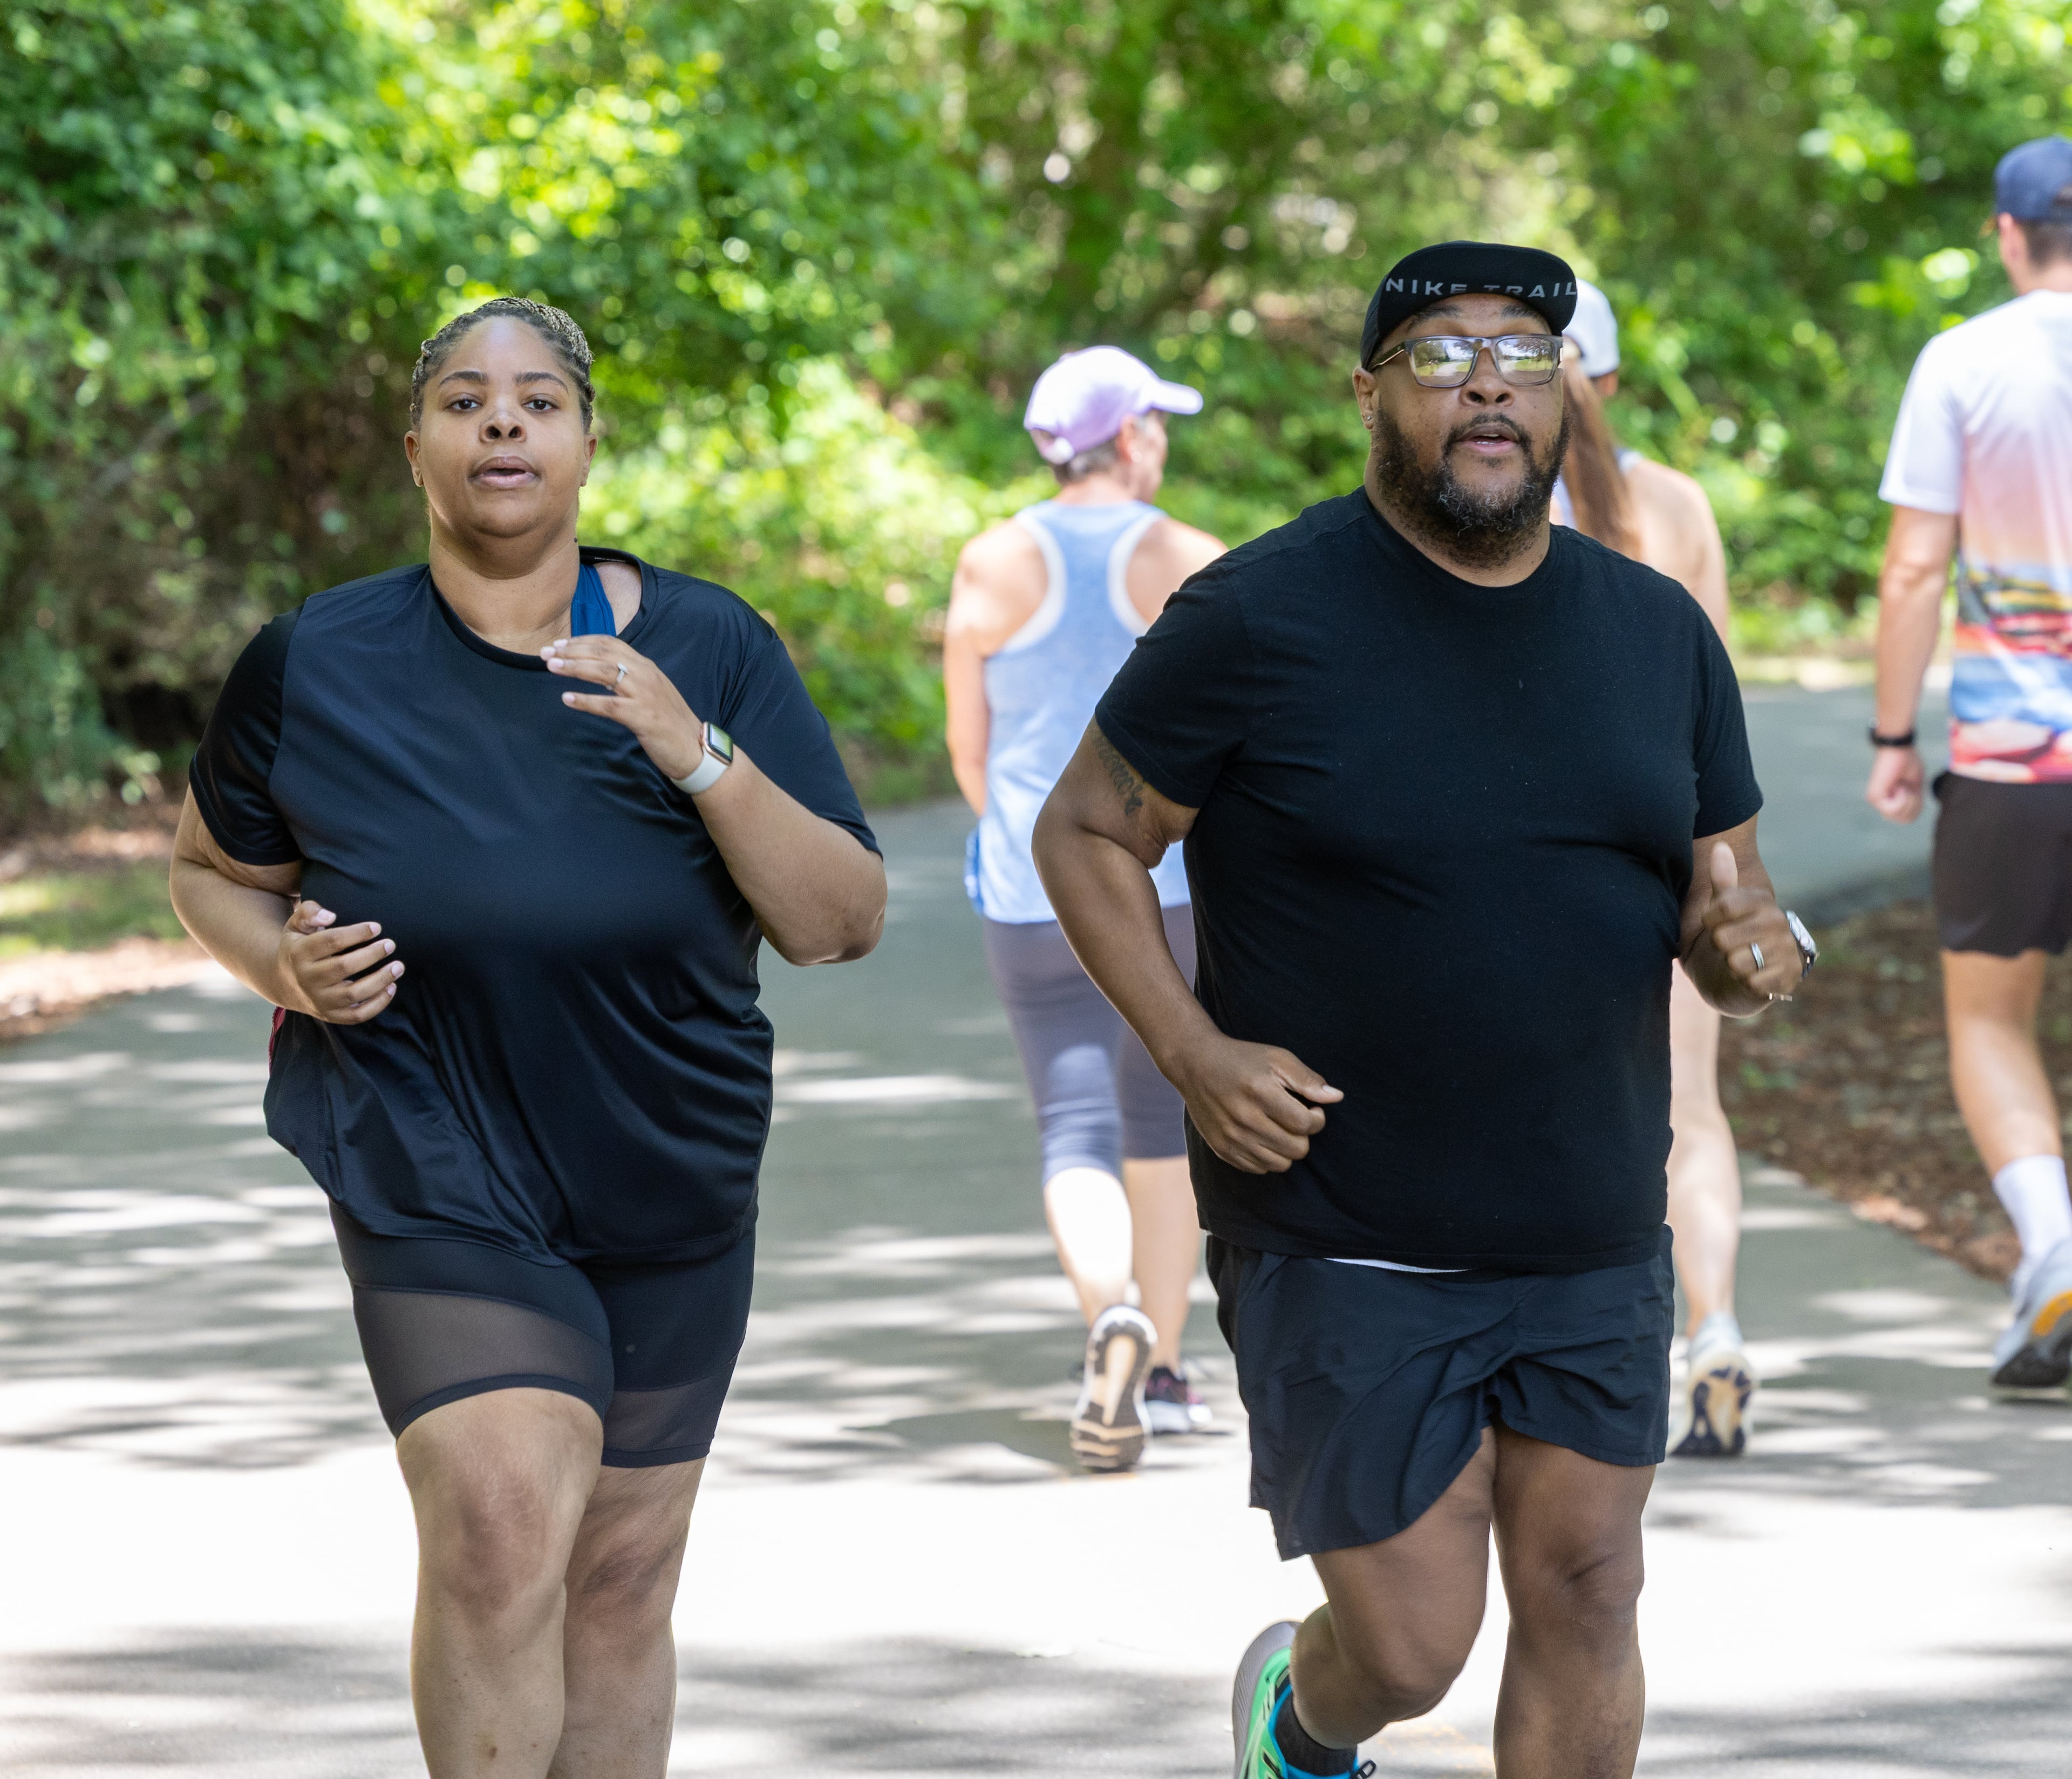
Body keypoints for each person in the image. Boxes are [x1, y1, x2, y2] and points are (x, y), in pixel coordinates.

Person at [1032, 242, 1815, 1778]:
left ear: (1567, 393)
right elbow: (1086, 831)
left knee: (1591, 1587)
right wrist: (1193, 1052)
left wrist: (1753, 954)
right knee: (1410, 1641)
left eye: (1524, 353)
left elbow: (1731, 902)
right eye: (1444, 355)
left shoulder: (1657, 635)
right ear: (1373, 394)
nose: (1489, 387)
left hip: (1587, 1216)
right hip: (1345, 1216)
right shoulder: (1260, 614)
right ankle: (1302, 1719)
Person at [168, 297, 887, 1778]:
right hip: (430, 1153)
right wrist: (285, 971)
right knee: (501, 1524)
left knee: (619, 1578)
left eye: (539, 400)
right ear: (418, 443)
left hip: (666, 1163)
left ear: (586, 441)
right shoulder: (315, 660)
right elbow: (206, 873)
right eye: (467, 399)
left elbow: (839, 920)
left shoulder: (709, 645)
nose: (504, 421)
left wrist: (698, 753)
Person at [944, 345, 1226, 1471]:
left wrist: (1016, 838)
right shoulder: (1189, 557)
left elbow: (970, 746)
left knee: (1074, 1122)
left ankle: (1105, 1317)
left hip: (1028, 886)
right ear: (1136, 437)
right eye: (1159, 422)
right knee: (1163, 1124)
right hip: (1164, 888)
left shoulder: (990, 560)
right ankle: (1159, 1365)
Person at [1866, 134, 2072, 1391]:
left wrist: (1895, 736)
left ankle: (2053, 1248)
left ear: (2006, 233)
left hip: (2008, 756)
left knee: (1991, 1020)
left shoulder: (1963, 360)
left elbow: (1911, 569)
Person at [1551, 280, 1754, 1457]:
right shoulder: (1672, 508)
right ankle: (1716, 1328)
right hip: (1673, 844)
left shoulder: (1485, 508)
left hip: (1531, 861)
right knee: (1690, 1106)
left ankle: (1582, 1347)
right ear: (1616, 382)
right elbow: (1718, 706)